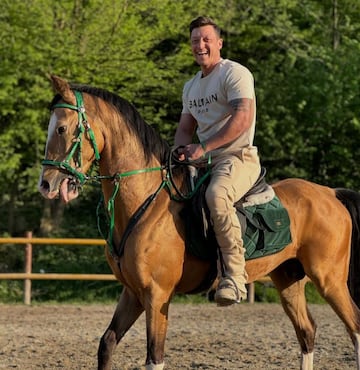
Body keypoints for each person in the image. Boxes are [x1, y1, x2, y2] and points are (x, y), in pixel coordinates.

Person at [174, 16, 261, 306]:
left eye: (206, 39)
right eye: (195, 40)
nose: (200, 45)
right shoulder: (190, 87)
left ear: (219, 43)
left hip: (237, 157)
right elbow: (185, 129)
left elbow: (242, 119)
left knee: (216, 194)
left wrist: (203, 148)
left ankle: (235, 278)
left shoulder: (234, 74)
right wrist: (178, 154)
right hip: (203, 161)